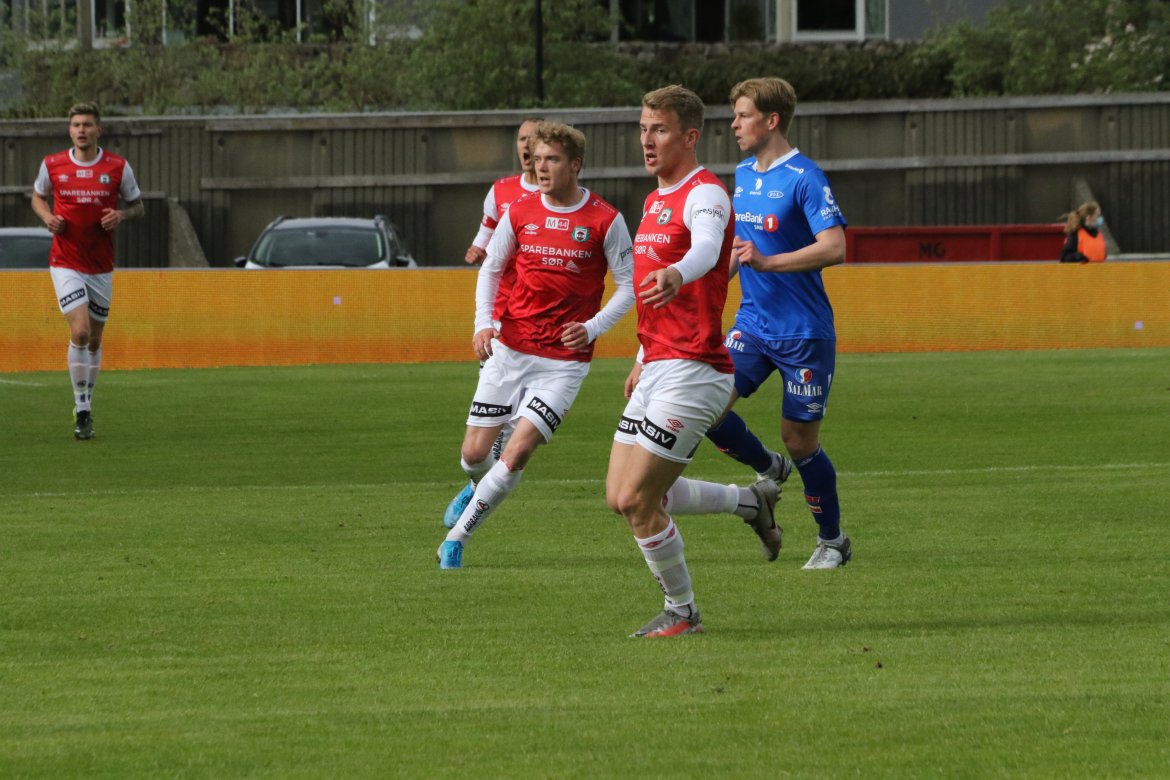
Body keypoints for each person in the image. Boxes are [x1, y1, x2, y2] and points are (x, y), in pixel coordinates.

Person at [437, 121, 635, 569]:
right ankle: (476, 485)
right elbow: (491, 269)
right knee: (473, 456)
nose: (541, 167)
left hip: (563, 362)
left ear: (575, 165)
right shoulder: (520, 210)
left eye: (553, 159)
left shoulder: (605, 219)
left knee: (517, 450)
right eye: (538, 158)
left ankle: (456, 538)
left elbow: (629, 286)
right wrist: (482, 324)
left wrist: (593, 327)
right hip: (510, 349)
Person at [605, 85, 746, 638]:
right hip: (659, 362)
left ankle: (683, 612)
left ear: (689, 136)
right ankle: (749, 501)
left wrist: (677, 272)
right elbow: (655, 295)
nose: (647, 140)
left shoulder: (705, 193)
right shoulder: (654, 200)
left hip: (695, 367)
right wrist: (642, 353)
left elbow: (707, 249)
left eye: (659, 129)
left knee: (639, 499)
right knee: (619, 497)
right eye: (643, 129)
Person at [701, 76, 852, 571]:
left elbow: (834, 247)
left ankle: (832, 541)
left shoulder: (806, 177)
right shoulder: (744, 174)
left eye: (743, 115)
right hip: (752, 324)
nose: (734, 124)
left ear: (771, 120)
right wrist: (700, 291)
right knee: (706, 407)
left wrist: (768, 263)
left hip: (804, 332)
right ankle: (768, 468)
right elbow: (738, 249)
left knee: (800, 439)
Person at [443, 118, 544, 528]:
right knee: (492, 425)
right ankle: (476, 484)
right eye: (521, 139)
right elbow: (485, 234)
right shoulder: (501, 191)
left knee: (516, 427)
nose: (526, 146)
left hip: (542, 323)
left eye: (534, 139)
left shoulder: (562, 198)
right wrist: (476, 249)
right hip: (502, 319)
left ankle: (479, 491)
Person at [31, 102, 143, 440]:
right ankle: (81, 409)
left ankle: (87, 403)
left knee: (94, 339)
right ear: (70, 130)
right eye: (76, 124)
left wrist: (121, 215)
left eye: (87, 124)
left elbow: (138, 206)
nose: (82, 130)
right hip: (65, 261)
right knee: (79, 332)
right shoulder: (53, 164)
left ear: (99, 130)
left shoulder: (118, 167)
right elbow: (37, 197)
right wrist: (47, 217)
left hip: (100, 266)